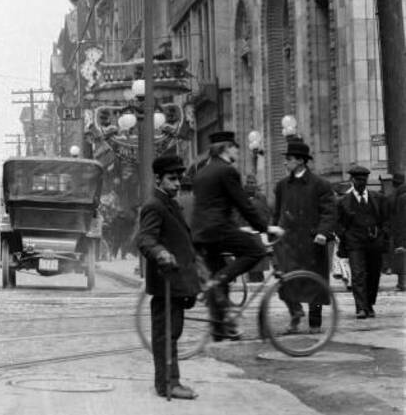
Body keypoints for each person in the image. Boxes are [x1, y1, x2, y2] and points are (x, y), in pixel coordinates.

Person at [191, 130, 282, 340]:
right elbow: (242, 204)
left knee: (217, 276)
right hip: (217, 229)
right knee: (256, 251)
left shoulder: (202, 172)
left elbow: (215, 205)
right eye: (235, 148)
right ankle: (219, 280)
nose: (237, 153)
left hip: (202, 233)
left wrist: (237, 228)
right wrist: (266, 228)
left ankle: (220, 330)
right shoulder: (227, 171)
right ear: (225, 148)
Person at [136, 154, 200, 400]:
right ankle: (168, 385)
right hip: (165, 283)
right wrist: (160, 252)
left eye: (178, 179)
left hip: (176, 283)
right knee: (166, 336)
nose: (176, 184)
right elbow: (145, 239)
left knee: (172, 334)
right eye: (171, 179)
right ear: (158, 179)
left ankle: (170, 382)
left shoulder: (171, 204)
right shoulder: (155, 206)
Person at [271, 141, 336, 333]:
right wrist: (273, 232)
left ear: (301, 161)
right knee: (288, 281)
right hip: (289, 243)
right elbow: (277, 213)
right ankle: (295, 317)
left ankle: (315, 323)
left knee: (314, 282)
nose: (285, 163)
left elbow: (329, 212)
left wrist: (323, 232)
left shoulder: (320, 185)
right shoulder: (282, 186)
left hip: (312, 241)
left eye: (289, 159)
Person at [335, 163, 388, 319]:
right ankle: (361, 308)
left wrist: (382, 234)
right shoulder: (344, 202)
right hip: (354, 243)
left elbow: (385, 220)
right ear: (352, 180)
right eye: (358, 179)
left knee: (373, 275)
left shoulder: (378, 198)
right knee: (358, 275)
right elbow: (338, 223)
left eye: (364, 179)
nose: (361, 182)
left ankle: (369, 304)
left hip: (374, 242)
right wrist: (345, 235)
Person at [388, 172, 406, 293]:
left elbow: (399, 218)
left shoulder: (395, 197)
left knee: (401, 257)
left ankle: (402, 283)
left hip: (399, 230)